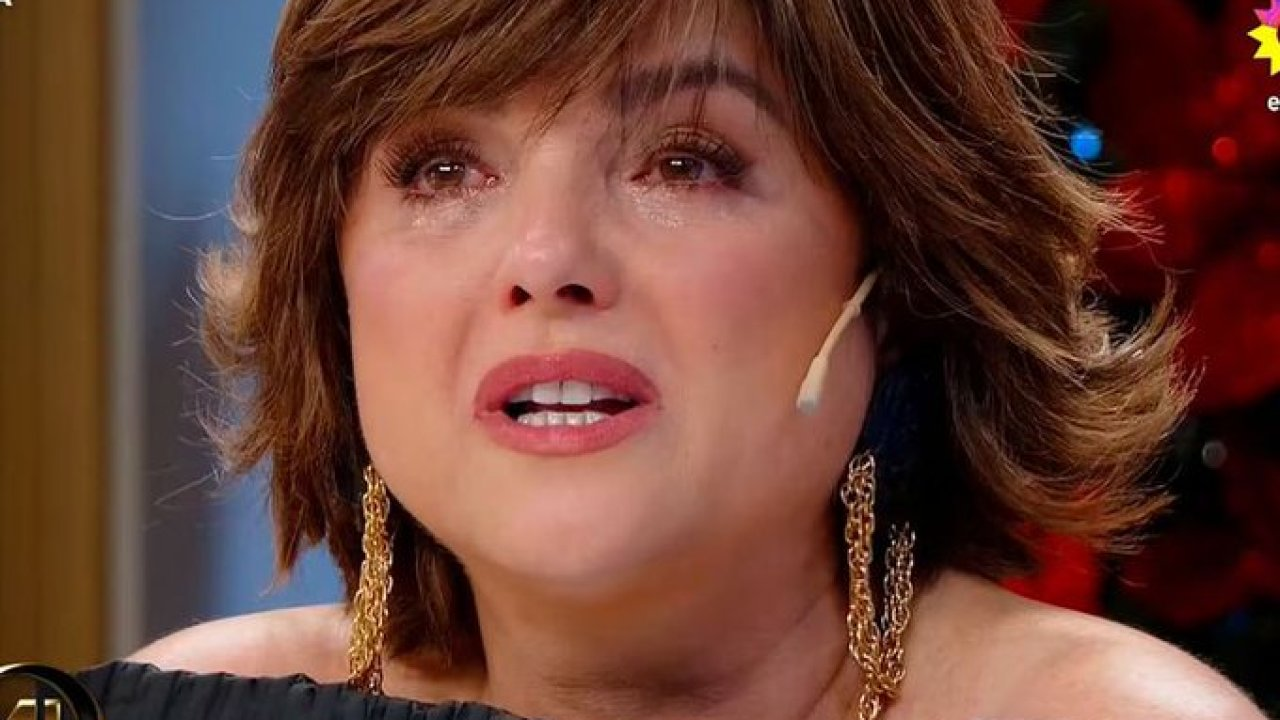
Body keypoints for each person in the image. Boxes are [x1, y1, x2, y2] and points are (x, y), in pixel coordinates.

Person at [114, 1, 1268, 719]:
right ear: (334, 283)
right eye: (442, 169)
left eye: (684, 161)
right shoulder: (185, 704)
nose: (545, 260)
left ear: (895, 279)